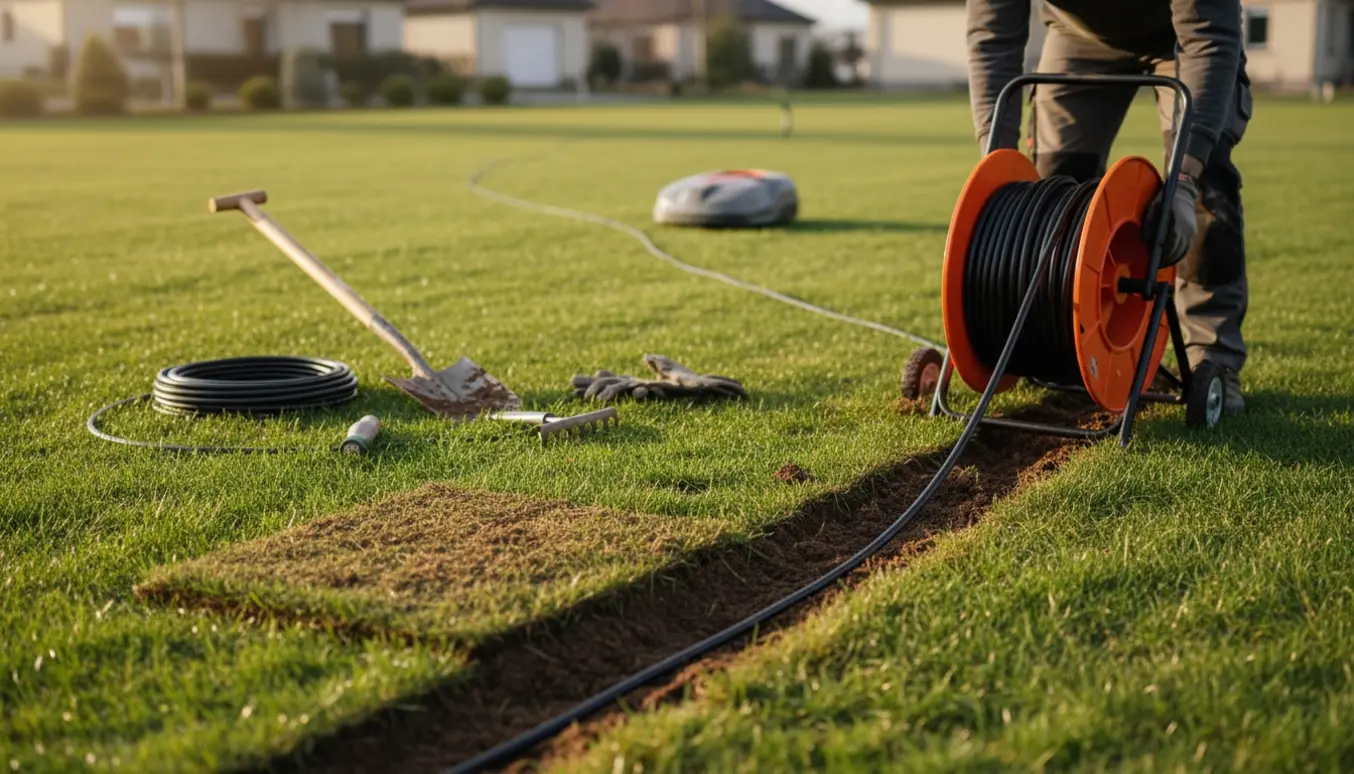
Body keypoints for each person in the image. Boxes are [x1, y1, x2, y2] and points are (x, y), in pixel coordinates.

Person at [965, 0, 1253, 414]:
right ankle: (1059, 340)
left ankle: (1214, 357)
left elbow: (1209, 39)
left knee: (1208, 189)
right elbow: (992, 36)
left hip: (1185, 39)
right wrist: (996, 165)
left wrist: (1185, 183)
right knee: (1054, 188)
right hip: (1076, 33)